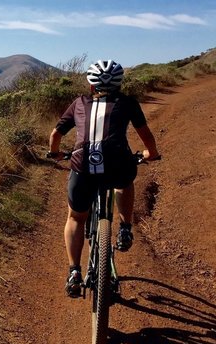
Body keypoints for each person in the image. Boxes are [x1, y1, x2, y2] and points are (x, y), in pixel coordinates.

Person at [47, 60, 160, 297]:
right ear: (120, 84)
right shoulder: (127, 103)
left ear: (91, 86)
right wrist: (151, 154)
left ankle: (74, 272)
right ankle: (125, 228)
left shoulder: (79, 102)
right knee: (124, 182)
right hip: (118, 165)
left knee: (76, 217)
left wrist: (56, 153)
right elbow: (145, 135)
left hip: (83, 166)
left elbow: (56, 134)